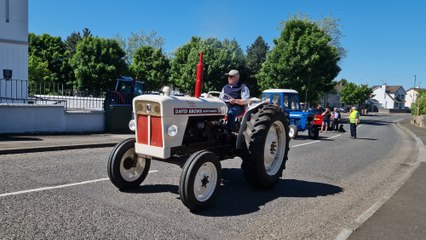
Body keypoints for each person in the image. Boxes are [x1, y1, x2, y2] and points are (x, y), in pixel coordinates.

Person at [220, 69, 250, 133]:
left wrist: (235, 101)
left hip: (238, 107)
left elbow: (245, 101)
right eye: (228, 76)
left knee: (231, 113)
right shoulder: (225, 87)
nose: (229, 78)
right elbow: (220, 98)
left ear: (237, 77)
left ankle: (228, 131)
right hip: (226, 106)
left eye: (231, 76)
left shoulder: (243, 87)